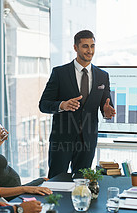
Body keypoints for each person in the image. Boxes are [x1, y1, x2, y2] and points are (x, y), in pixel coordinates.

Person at [39, 30, 116, 178]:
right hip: (62, 140)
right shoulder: (59, 73)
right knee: (56, 181)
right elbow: (43, 104)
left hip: (88, 141)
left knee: (82, 184)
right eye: (85, 46)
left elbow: (106, 106)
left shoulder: (102, 76)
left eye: (92, 46)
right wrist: (62, 105)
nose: (90, 50)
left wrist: (107, 112)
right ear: (75, 48)